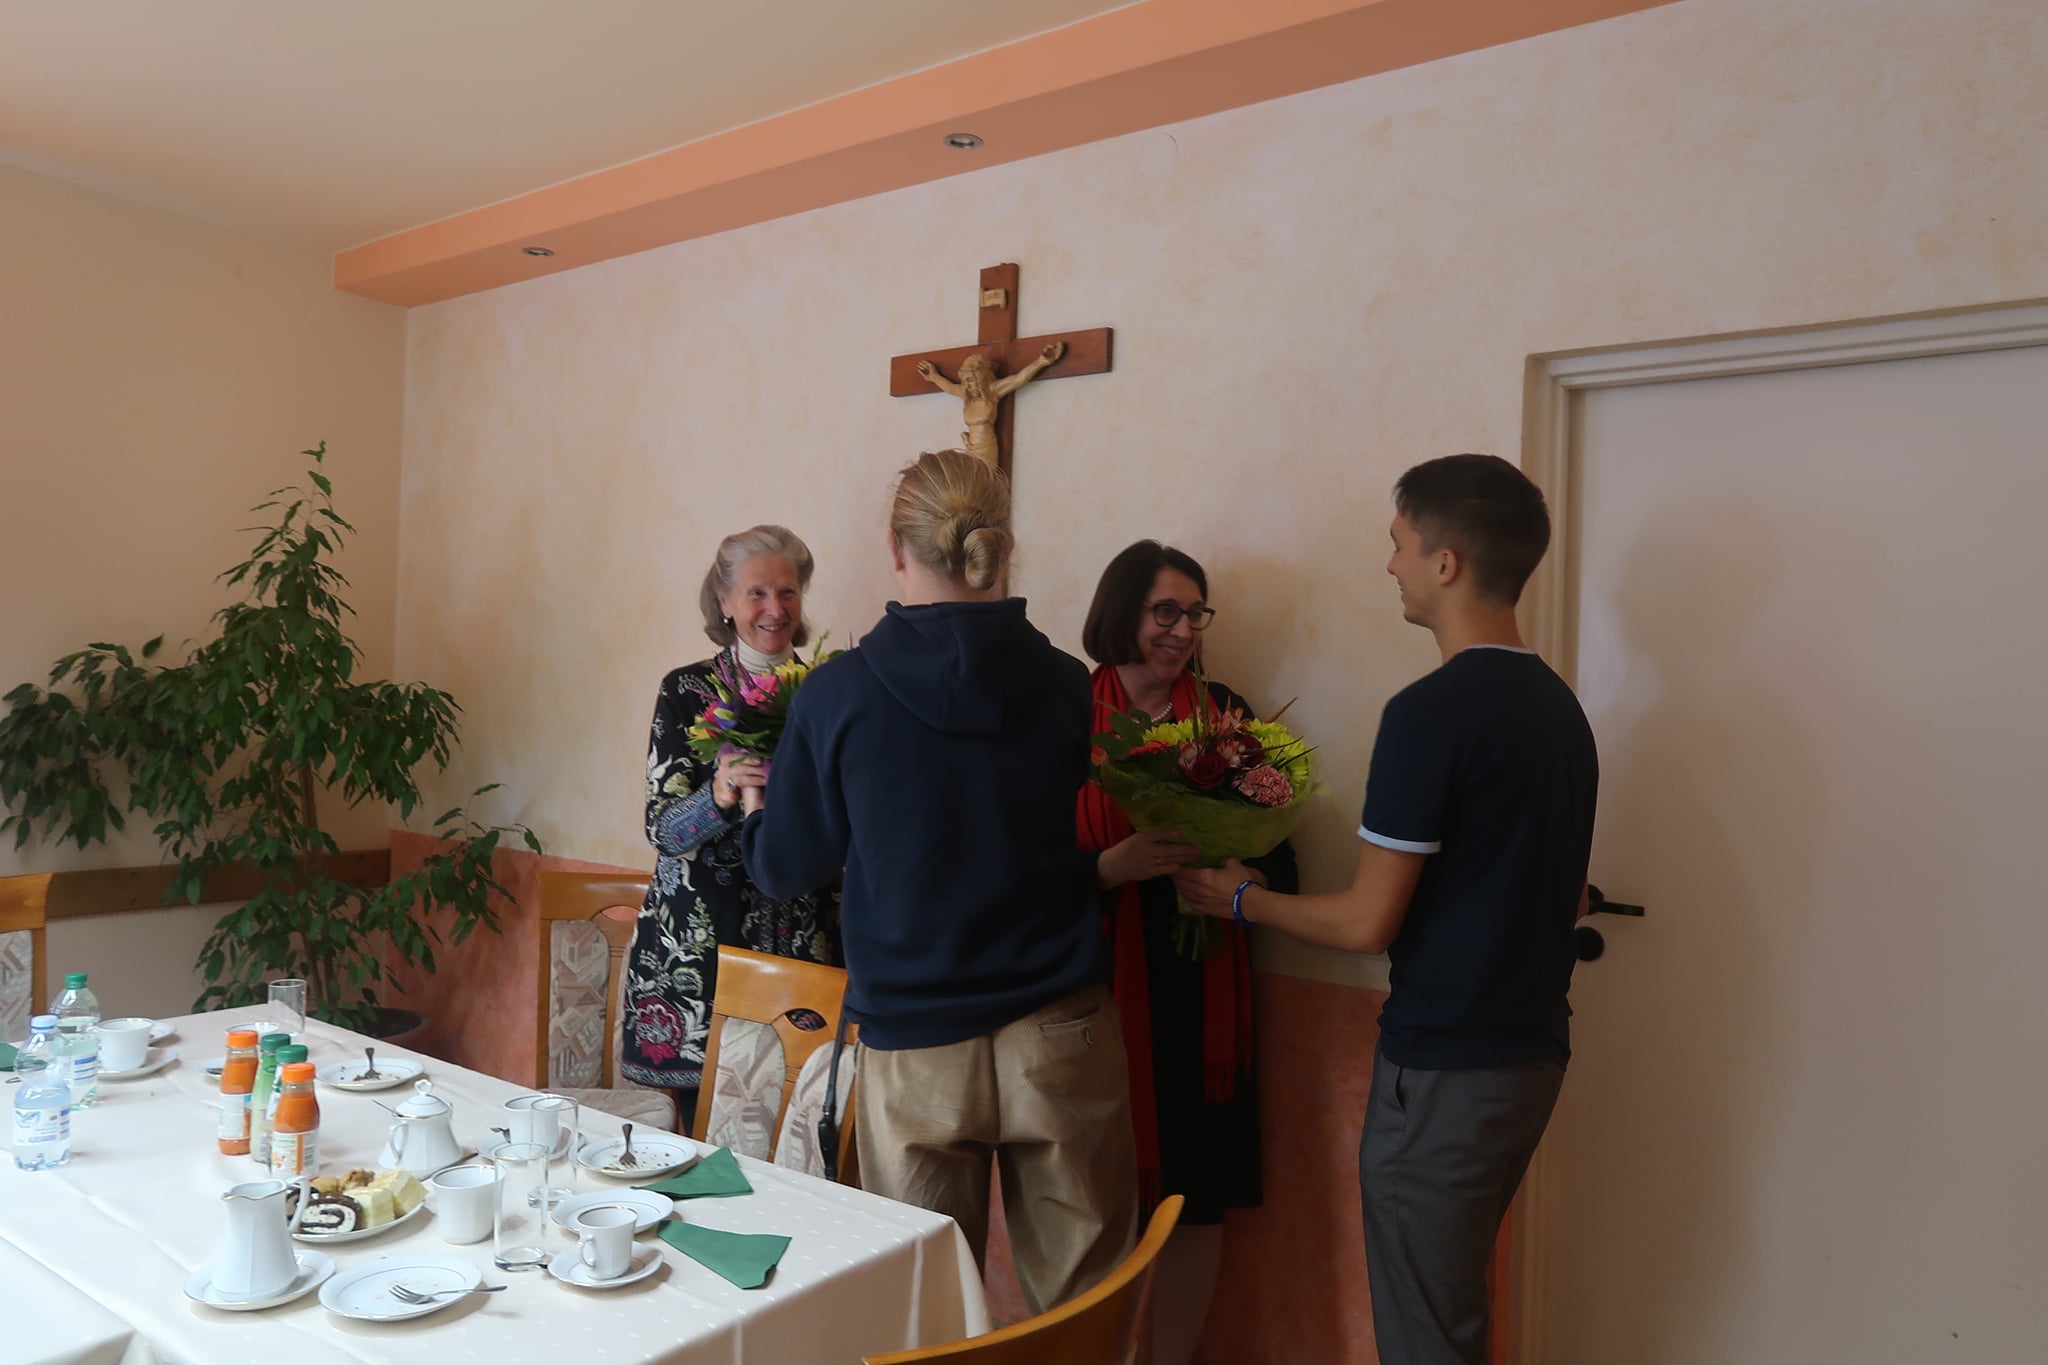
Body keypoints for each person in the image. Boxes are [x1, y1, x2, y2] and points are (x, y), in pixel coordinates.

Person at [1177, 454, 1598, 1365]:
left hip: (1447, 1067)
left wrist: (1242, 897)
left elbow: (1368, 922)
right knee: (1449, 1313)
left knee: (1426, 1335)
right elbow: (1567, 894)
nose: (1391, 564)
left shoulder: (1431, 713)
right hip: (1531, 1054)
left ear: (1447, 562)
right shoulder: (1561, 708)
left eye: (1400, 543)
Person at [740, 449, 1138, 1314]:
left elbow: (787, 867)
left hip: (915, 1036)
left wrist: (754, 808)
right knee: (1089, 1310)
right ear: (1002, 545)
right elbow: (1015, 836)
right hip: (1060, 1021)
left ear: (895, 547)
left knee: (926, 1312)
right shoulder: (1067, 684)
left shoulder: (838, 695)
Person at [1077, 541, 1299, 1362]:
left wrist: (1244, 876)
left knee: (1196, 1203)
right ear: (1121, 612)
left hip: (1203, 991)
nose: (1181, 629)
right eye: (1164, 610)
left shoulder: (1225, 715)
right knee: (1093, 1205)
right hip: (1092, 990)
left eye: (1194, 612)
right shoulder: (1066, 711)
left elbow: (1281, 851)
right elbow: (1019, 862)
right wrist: (1110, 866)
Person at [618, 524, 841, 1130]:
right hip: (700, 953)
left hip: (803, 944)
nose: (776, 609)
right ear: (724, 601)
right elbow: (663, 830)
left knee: (800, 1137)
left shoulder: (827, 693)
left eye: (788, 592)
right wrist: (717, 796)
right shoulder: (685, 692)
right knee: (701, 1145)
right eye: (757, 593)